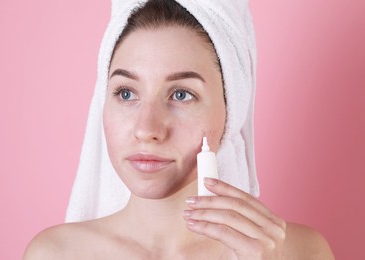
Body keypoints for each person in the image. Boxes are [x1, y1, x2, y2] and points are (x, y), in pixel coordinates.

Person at [24, 0, 335, 259]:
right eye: (126, 93)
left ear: (231, 109)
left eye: (181, 94)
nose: (147, 129)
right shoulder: (55, 254)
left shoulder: (297, 252)